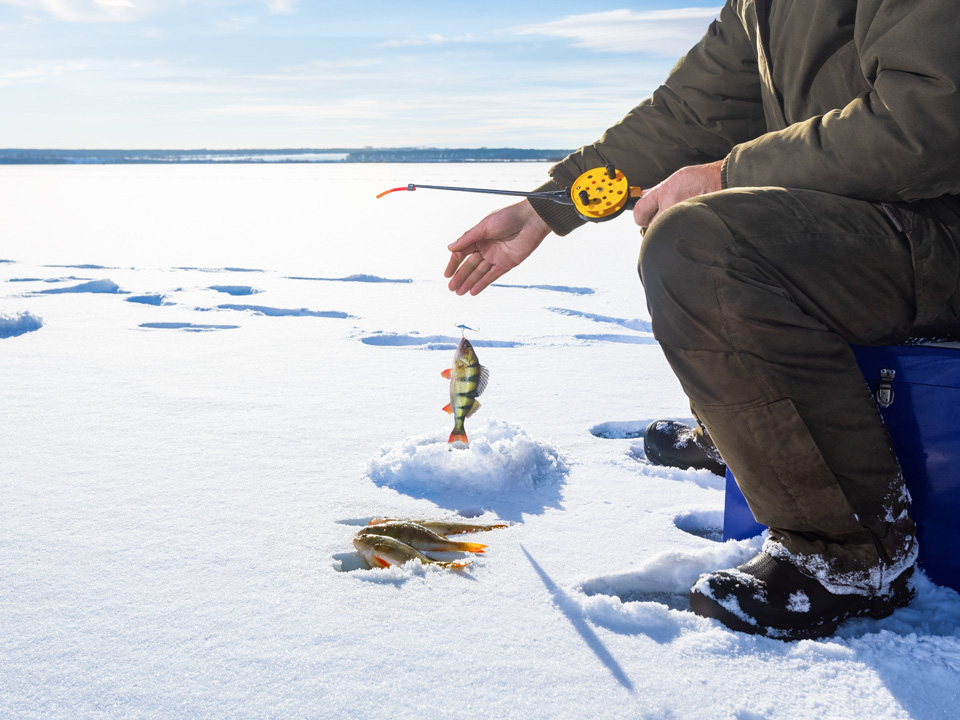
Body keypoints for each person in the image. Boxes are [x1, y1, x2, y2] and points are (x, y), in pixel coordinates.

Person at [443, 0, 960, 640]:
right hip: (879, 229)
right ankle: (760, 431)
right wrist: (549, 206)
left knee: (704, 243)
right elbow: (691, 112)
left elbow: (931, 120)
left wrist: (726, 173)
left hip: (942, 233)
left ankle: (846, 553)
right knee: (697, 233)